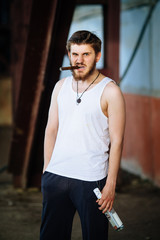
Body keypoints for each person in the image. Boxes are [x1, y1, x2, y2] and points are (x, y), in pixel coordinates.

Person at [40, 30, 126, 240]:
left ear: (97, 56)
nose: (79, 60)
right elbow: (51, 130)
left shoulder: (110, 91)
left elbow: (117, 141)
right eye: (75, 54)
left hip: (91, 180)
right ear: (69, 55)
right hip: (56, 177)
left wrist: (111, 184)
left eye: (86, 54)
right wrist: (46, 170)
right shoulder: (60, 87)